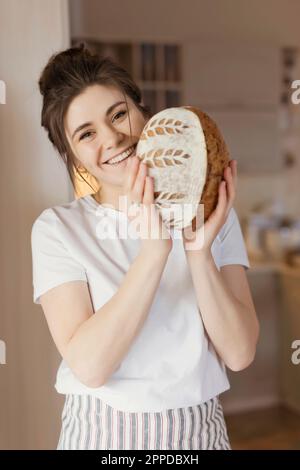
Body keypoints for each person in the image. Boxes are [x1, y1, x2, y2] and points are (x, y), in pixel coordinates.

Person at [31, 44, 259, 450]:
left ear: (143, 111)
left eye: (119, 114)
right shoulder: (58, 230)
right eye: (87, 134)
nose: (114, 138)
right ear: (73, 155)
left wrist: (198, 252)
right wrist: (154, 252)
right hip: (101, 438)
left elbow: (240, 353)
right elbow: (90, 365)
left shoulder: (212, 216)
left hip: (198, 435)